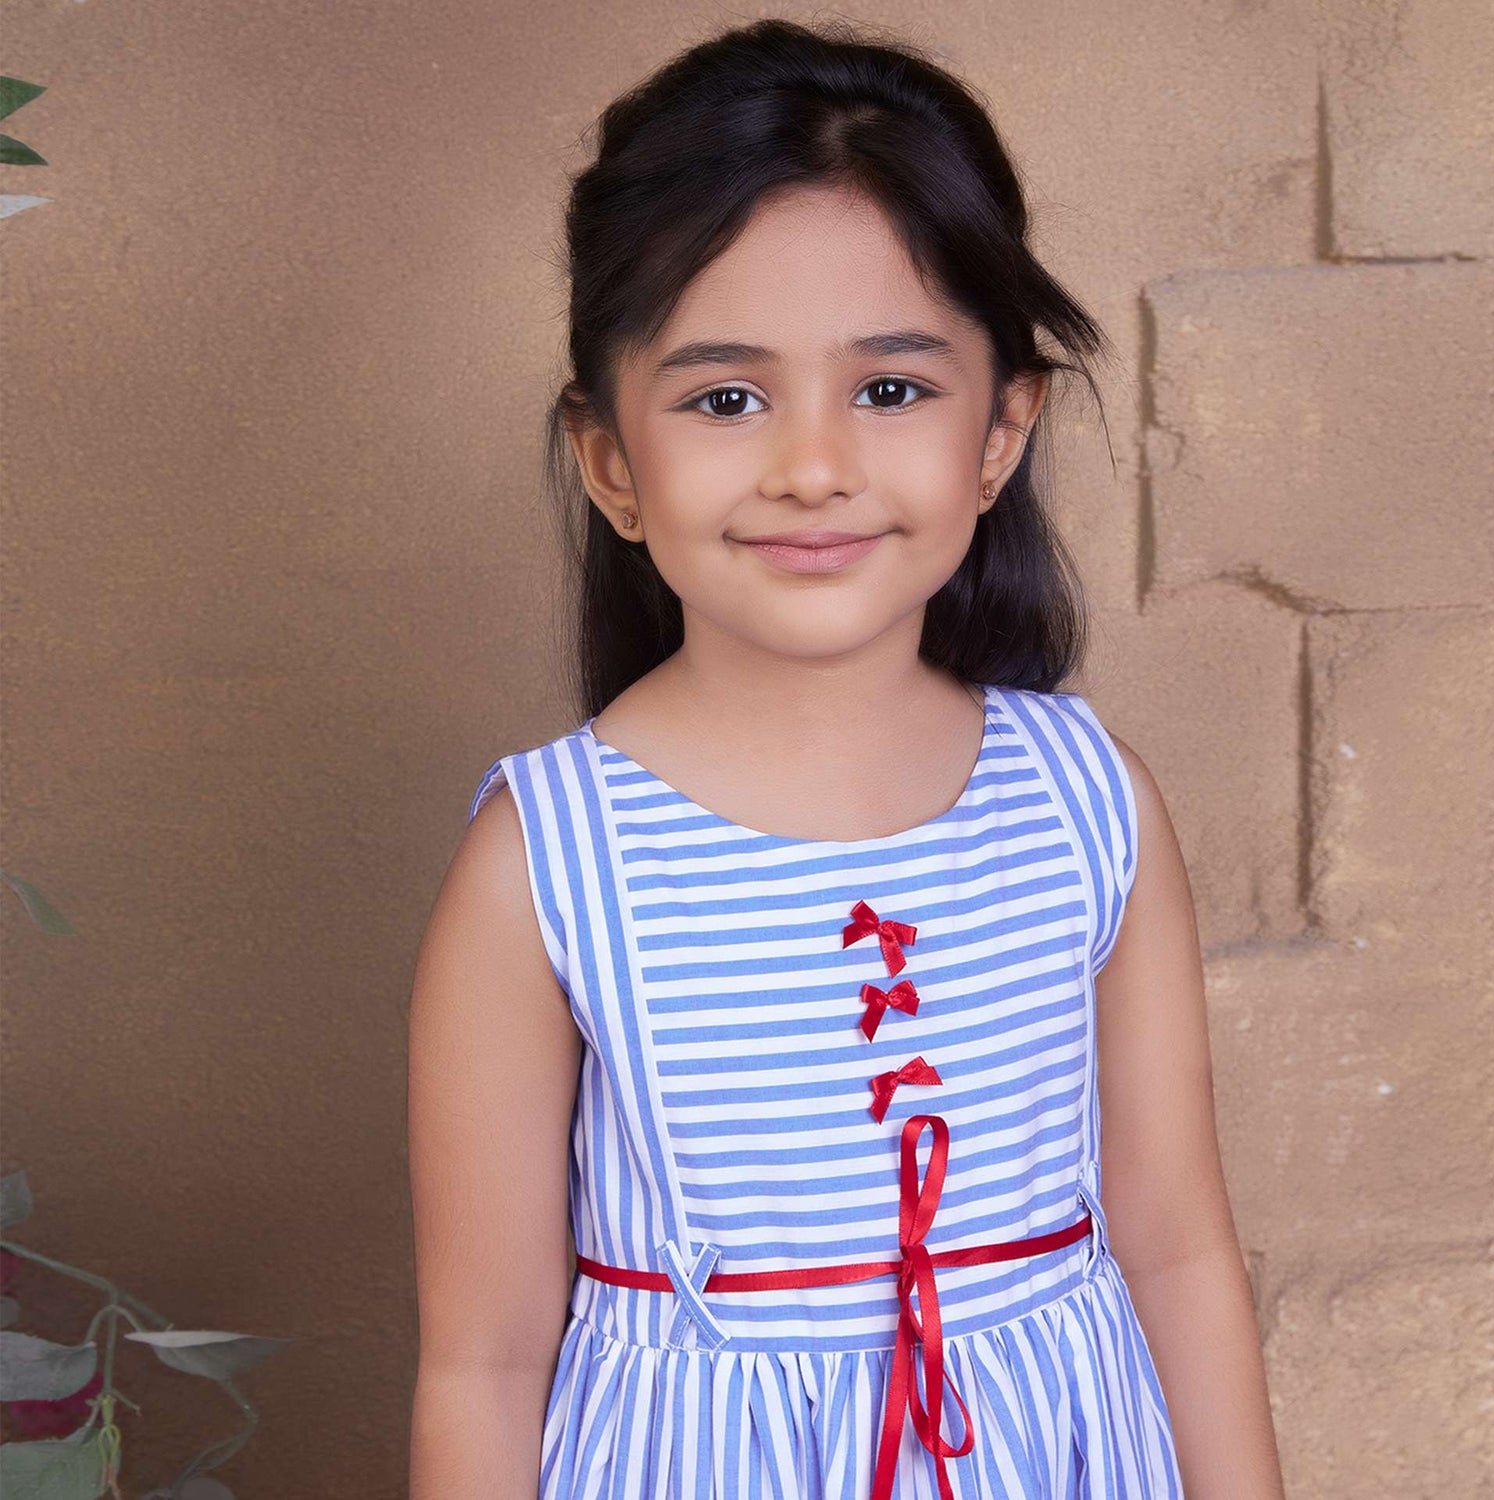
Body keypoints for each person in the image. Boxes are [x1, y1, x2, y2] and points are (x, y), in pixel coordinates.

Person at [407, 17, 1286, 1499]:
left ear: (1002, 431)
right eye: (725, 397)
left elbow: (1180, 1248)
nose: (811, 464)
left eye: (890, 389)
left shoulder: (1088, 804)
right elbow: (482, 1364)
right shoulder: (548, 861)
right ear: (611, 459)